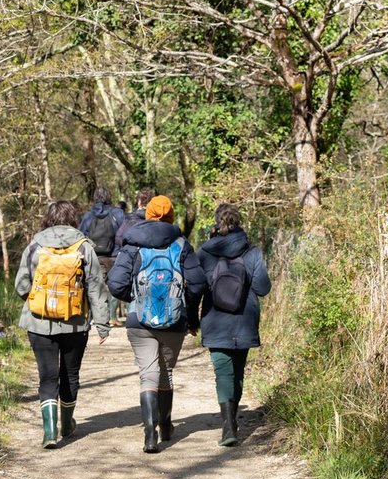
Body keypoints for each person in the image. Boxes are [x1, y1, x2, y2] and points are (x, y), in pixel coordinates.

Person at [108, 194, 204, 453]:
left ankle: (150, 435)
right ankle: (166, 425)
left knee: (147, 374)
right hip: (175, 320)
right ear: (172, 215)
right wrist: (190, 315)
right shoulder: (181, 245)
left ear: (148, 214)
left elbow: (116, 283)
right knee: (166, 372)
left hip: (139, 321)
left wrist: (135, 297)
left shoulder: (132, 244)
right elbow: (197, 284)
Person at [15, 199, 110, 448]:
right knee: (70, 374)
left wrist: (38, 301)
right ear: (73, 219)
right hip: (75, 323)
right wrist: (102, 323)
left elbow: (21, 285)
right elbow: (96, 288)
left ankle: (49, 433)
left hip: (39, 323)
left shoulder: (35, 246)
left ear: (48, 218)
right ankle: (67, 425)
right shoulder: (84, 247)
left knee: (47, 377)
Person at [194, 202, 271, 446]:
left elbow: (195, 287)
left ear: (216, 223)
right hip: (244, 320)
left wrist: (190, 317)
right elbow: (263, 288)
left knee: (223, 373)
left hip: (215, 321)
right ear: (240, 223)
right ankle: (232, 421)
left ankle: (228, 425)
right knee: (237, 373)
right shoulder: (253, 252)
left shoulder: (205, 252)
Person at [78, 186, 127, 325]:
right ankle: (112, 317)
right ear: (109, 196)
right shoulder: (118, 213)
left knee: (94, 287)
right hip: (115, 256)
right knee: (115, 286)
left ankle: (94, 317)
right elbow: (124, 233)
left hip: (95, 257)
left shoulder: (88, 215)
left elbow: (81, 236)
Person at [110, 186, 154, 326]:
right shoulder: (156, 220)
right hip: (150, 259)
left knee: (128, 284)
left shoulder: (130, 219)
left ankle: (131, 315)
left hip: (131, 256)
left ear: (139, 202)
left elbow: (119, 237)